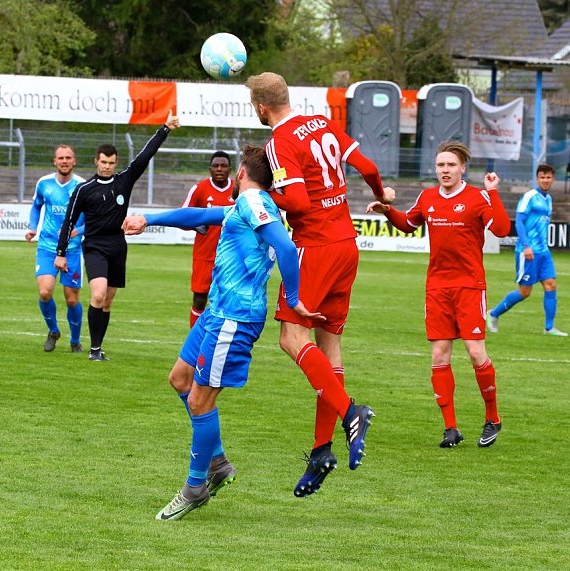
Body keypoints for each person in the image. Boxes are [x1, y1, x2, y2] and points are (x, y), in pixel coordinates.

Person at [121, 145, 322, 520]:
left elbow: (285, 246)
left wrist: (293, 298)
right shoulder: (246, 204)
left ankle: (195, 487)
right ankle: (217, 463)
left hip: (234, 317)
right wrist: (148, 219)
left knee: (200, 401)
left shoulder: (254, 202)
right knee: (180, 379)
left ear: (242, 172)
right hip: (217, 312)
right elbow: (199, 215)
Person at [246, 71, 387, 497]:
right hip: (347, 245)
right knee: (330, 348)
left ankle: (350, 412)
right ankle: (321, 450)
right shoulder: (322, 123)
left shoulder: (279, 142)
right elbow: (368, 167)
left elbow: (298, 201)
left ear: (261, 107)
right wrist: (382, 194)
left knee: (291, 338)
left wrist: (260, 197)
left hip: (316, 247)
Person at [366, 141, 511, 449]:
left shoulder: (477, 197)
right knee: (439, 356)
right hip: (437, 287)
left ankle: (493, 418)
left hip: (469, 286)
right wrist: (388, 211)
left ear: (462, 169)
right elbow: (408, 224)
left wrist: (494, 192)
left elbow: (501, 229)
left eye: (451, 165)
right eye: (441, 165)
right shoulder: (428, 197)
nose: (445, 170)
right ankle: (451, 429)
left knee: (476, 353)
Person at [56, 111, 180, 361]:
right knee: (98, 294)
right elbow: (68, 221)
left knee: (108, 301)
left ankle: (98, 347)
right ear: (96, 161)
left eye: (111, 163)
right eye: (103, 162)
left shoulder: (124, 181)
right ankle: (93, 350)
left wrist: (164, 129)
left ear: (115, 163)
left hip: (117, 246)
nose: (107, 166)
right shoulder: (83, 190)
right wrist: (61, 253)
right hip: (94, 246)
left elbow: (145, 156)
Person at [488, 164, 568, 337]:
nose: (545, 180)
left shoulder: (548, 199)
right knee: (525, 292)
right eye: (542, 177)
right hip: (528, 251)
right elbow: (519, 222)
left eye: (548, 177)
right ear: (537, 179)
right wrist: (526, 246)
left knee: (551, 285)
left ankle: (549, 328)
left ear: (553, 179)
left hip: (543, 251)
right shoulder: (529, 197)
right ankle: (493, 313)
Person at [25, 145, 86, 353]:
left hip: (72, 249)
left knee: (72, 299)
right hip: (47, 246)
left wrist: (78, 231)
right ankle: (53, 331)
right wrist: (33, 227)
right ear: (55, 161)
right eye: (61, 158)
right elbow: (36, 206)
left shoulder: (82, 186)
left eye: (68, 157)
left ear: (74, 161)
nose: (64, 161)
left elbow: (92, 219)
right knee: (44, 292)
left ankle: (75, 341)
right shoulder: (44, 183)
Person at [181, 151, 234, 328]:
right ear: (210, 169)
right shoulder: (199, 189)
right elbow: (182, 216)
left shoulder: (238, 189)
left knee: (228, 300)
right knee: (200, 298)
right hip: (204, 256)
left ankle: (221, 338)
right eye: (216, 166)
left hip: (231, 258)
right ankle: (194, 341)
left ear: (230, 168)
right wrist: (194, 225)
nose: (219, 169)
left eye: (223, 166)